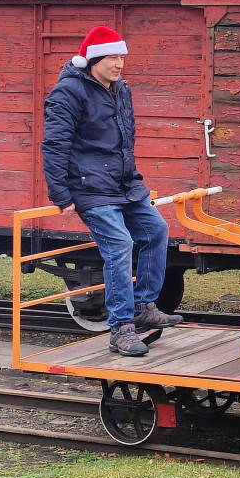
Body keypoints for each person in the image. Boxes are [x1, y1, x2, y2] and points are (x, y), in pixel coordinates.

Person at [42, 25, 180, 358]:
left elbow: (124, 141)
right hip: (90, 188)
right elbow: (54, 144)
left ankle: (143, 306)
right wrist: (61, 194)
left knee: (156, 230)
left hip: (123, 184)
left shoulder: (121, 89)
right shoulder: (68, 92)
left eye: (122, 57)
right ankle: (120, 329)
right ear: (92, 59)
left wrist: (133, 178)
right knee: (119, 243)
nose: (120, 64)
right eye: (113, 57)